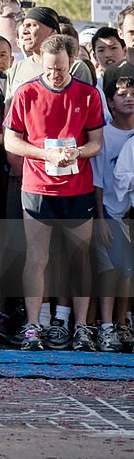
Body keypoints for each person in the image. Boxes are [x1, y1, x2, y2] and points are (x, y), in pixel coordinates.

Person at [4, 34, 104, 351]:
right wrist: (44, 155)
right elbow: (11, 141)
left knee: (79, 259)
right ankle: (34, 325)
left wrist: (78, 152)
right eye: (49, 69)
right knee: (37, 258)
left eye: (60, 68)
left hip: (78, 187)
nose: (54, 75)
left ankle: (82, 327)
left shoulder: (88, 94)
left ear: (71, 62)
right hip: (37, 187)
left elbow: (96, 142)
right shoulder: (27, 92)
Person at [93, 76, 134, 352]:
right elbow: (96, 179)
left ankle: (121, 323)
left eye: (133, 93)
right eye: (122, 94)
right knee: (109, 268)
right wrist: (99, 218)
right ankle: (105, 325)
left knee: (128, 271)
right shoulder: (104, 134)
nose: (129, 98)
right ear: (110, 101)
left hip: (129, 211)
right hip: (106, 209)